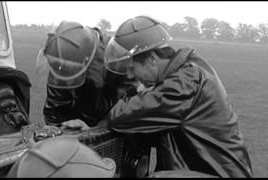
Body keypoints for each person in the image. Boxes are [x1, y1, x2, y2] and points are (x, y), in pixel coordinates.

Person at [104, 15, 253, 178]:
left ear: (152, 59)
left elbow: (119, 117)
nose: (130, 76)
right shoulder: (189, 69)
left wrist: (135, 92)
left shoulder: (183, 84)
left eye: (132, 68)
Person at [36, 21, 137, 130]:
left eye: (73, 73)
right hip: (79, 128)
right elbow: (55, 113)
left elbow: (128, 110)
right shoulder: (62, 64)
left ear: (92, 65)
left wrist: (95, 130)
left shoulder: (119, 61)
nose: (69, 83)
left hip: (114, 129)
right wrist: (62, 130)